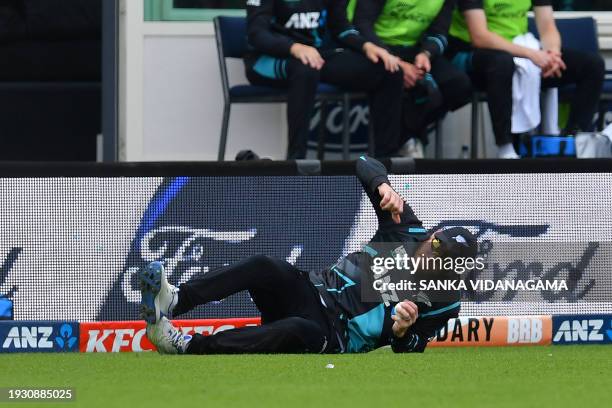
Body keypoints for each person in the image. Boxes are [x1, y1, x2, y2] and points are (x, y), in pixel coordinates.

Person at [139, 156, 478, 355]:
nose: (431, 262)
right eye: (435, 248)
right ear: (432, 236)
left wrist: (404, 330)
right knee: (265, 266)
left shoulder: (445, 300)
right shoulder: (405, 227)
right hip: (311, 289)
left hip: (335, 334)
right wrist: (382, 185)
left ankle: (185, 345)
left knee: (298, 328)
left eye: (443, 264)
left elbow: (413, 346)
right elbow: (363, 162)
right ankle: (175, 300)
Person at [245, 0, 405, 159]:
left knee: (388, 70)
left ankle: (386, 160)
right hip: (266, 60)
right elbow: (256, 34)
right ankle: (296, 161)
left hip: (315, 56)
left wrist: (366, 46)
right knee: (306, 70)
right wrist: (294, 48)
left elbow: (340, 27)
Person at [447, 0, 605, 158]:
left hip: (521, 48)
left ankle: (574, 142)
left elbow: (547, 26)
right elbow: (480, 37)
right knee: (502, 63)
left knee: (592, 65)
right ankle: (505, 147)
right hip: (473, 54)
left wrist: (553, 55)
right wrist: (531, 55)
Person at [351, 0, 472, 158]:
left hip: (416, 50)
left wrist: (426, 54)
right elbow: (362, 24)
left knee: (458, 85)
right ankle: (391, 151)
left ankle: (406, 135)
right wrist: (396, 62)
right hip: (376, 49)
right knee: (393, 76)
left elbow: (440, 33)